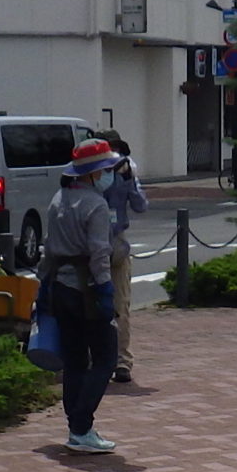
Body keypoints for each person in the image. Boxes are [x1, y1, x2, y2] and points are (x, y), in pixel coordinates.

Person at [42, 137, 124, 453]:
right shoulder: (96, 204)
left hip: (60, 287)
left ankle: (75, 428)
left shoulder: (58, 198)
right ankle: (81, 426)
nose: (109, 174)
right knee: (105, 358)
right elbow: (99, 253)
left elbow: (48, 248)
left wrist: (43, 285)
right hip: (86, 290)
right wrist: (106, 290)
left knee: (75, 360)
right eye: (106, 169)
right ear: (93, 173)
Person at [99, 130, 149, 383]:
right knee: (91, 306)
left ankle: (122, 362)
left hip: (117, 243)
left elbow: (141, 206)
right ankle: (95, 358)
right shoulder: (89, 174)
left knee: (120, 306)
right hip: (90, 244)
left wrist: (128, 180)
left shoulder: (126, 174)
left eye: (116, 151)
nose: (113, 157)